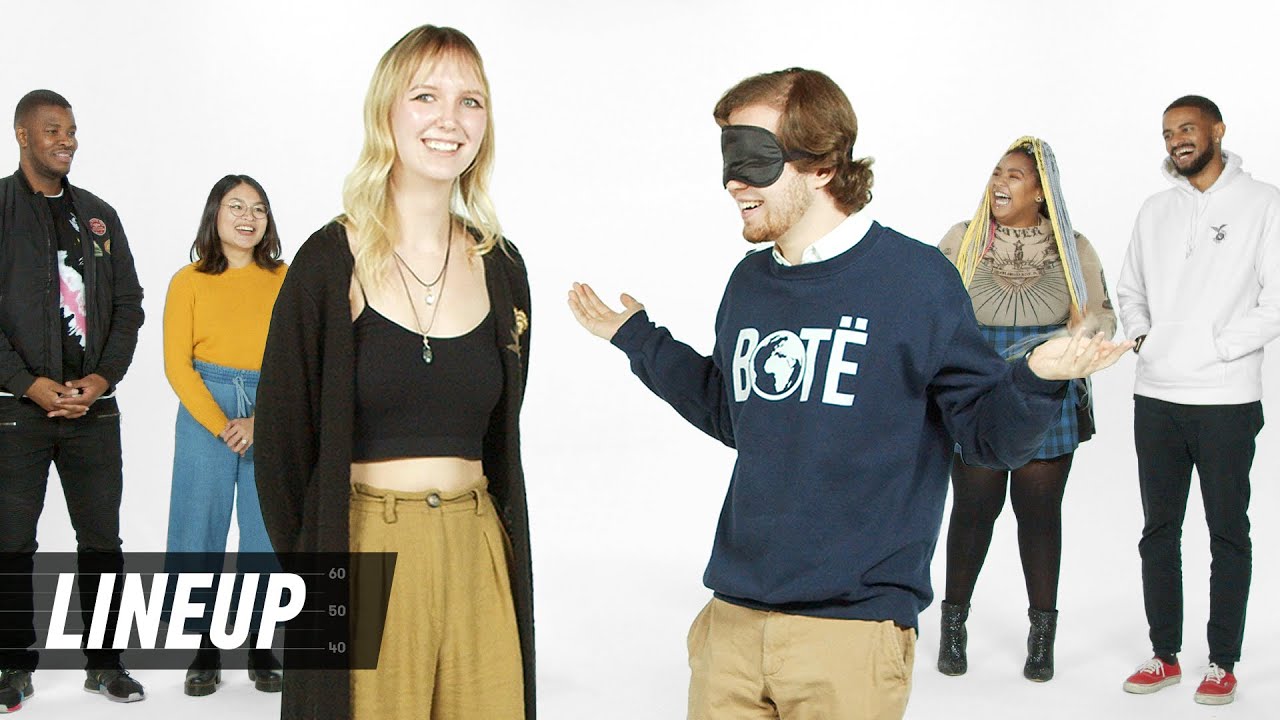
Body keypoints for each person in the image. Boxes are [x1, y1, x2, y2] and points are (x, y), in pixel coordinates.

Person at [568, 68, 1130, 720]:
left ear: (822, 166)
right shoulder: (750, 285)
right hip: (732, 628)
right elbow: (732, 413)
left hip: (850, 636)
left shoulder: (917, 281)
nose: (732, 182)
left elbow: (988, 438)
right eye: (727, 159)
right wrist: (639, 340)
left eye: (752, 157)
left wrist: (1037, 377)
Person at [255, 25, 534, 720]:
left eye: (470, 101)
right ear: (386, 110)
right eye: (425, 96)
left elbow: (502, 433)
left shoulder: (502, 268)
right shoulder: (327, 263)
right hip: (360, 549)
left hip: (477, 549)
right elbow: (281, 451)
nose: (450, 119)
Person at [1116, 95, 1280, 706]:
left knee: (1226, 531)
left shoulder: (1263, 203)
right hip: (1156, 395)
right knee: (1158, 530)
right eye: (1167, 133)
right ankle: (1164, 655)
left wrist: (1217, 348)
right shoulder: (1155, 210)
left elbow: (1276, 300)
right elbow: (1130, 289)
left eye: (1187, 128)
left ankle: (1222, 662)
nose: (1177, 140)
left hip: (1226, 399)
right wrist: (1145, 337)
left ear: (1218, 130)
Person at [934, 137, 1117, 682]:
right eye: (997, 172)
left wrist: (1085, 334)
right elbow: (929, 308)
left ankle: (1042, 636)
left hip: (1047, 383)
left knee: (1039, 515)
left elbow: (1101, 315)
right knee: (974, 509)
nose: (1000, 182)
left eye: (1014, 176)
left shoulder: (1072, 247)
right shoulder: (963, 239)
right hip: (978, 384)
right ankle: (953, 625)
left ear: (1041, 192)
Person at [0, 89, 146, 711]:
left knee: (102, 542)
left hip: (94, 413)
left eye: (72, 130)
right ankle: (12, 665)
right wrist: (27, 382)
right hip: (17, 413)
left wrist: (103, 378)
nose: (67, 140)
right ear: (23, 135)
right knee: (11, 544)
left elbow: (128, 305)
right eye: (53, 129)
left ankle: (106, 665)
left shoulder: (98, 216)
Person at [162, 174, 286, 696]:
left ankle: (261, 644)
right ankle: (204, 648)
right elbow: (176, 366)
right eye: (236, 206)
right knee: (198, 527)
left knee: (266, 530)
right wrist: (222, 425)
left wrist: (262, 419)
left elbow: (298, 357)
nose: (247, 217)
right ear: (215, 214)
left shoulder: (285, 279)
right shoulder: (188, 280)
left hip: (270, 404)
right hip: (205, 404)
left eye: (258, 208)